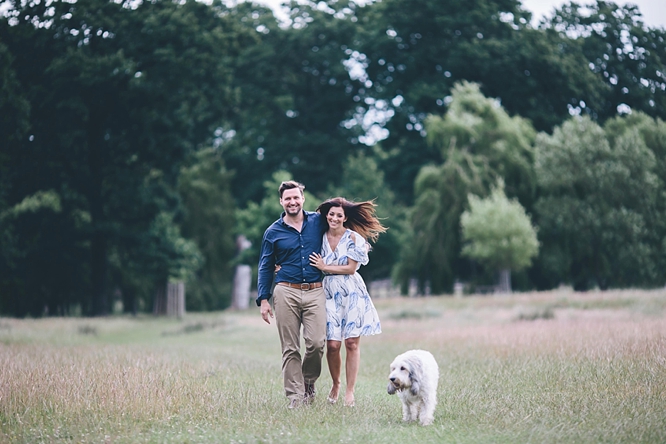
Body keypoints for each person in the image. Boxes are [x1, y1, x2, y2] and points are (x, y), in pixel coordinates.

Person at [308, 197, 387, 407]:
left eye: (339, 215)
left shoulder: (354, 238)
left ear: (345, 218)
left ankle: (349, 392)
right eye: (331, 214)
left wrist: (325, 267)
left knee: (351, 343)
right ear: (326, 215)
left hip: (352, 292)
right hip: (330, 294)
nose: (334, 218)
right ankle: (336, 383)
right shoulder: (319, 237)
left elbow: (351, 268)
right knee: (332, 345)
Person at [257, 180, 326, 409]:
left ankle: (308, 382)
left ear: (303, 199)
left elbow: (340, 228)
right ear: (281, 201)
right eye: (288, 198)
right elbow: (266, 266)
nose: (292, 202)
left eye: (296, 197)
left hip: (315, 291)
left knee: (316, 343)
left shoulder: (318, 221)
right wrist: (263, 300)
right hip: (286, 291)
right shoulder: (272, 232)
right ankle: (295, 398)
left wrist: (358, 245)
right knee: (290, 347)